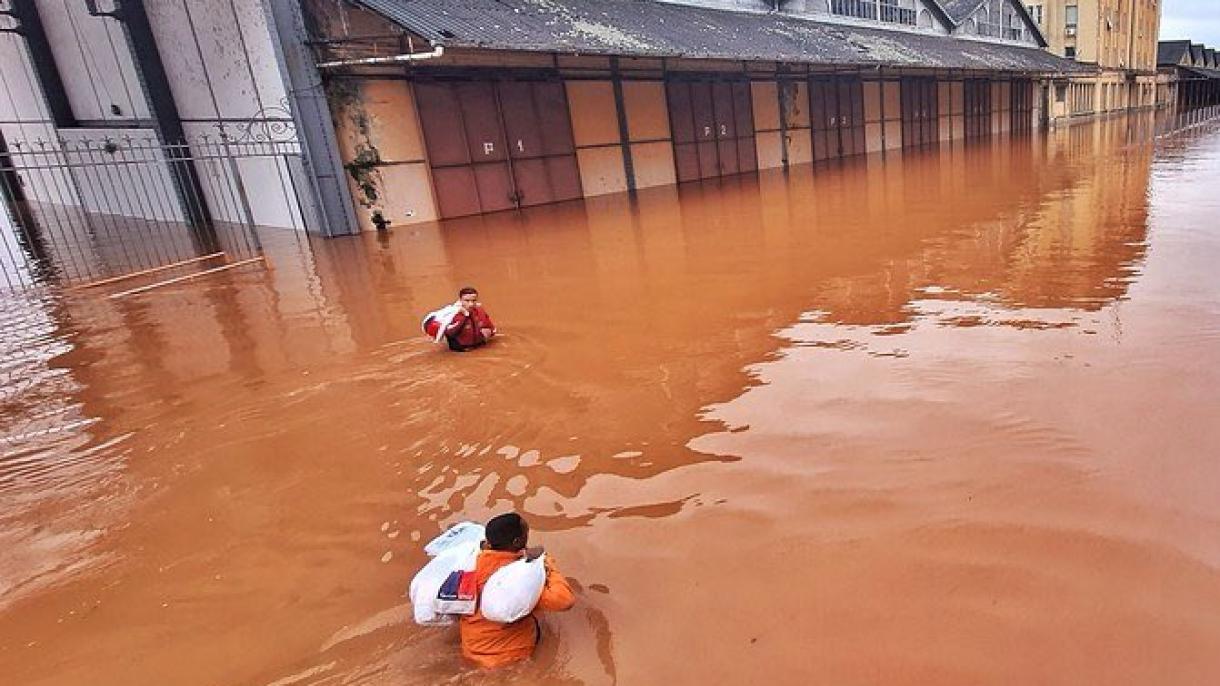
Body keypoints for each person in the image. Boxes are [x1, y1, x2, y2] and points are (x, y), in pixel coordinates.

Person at [459, 513, 575, 668]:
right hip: (508, 659)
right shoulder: (520, 578)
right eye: (526, 534)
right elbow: (564, 601)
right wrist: (546, 564)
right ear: (517, 541)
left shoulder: (469, 564)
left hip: (470, 650)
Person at [442, 287, 496, 352]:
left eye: (474, 301)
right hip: (460, 351)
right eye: (467, 301)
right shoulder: (452, 314)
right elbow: (448, 333)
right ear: (460, 300)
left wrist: (489, 332)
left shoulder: (480, 311)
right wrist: (464, 316)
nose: (471, 304)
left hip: (480, 347)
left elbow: (491, 328)